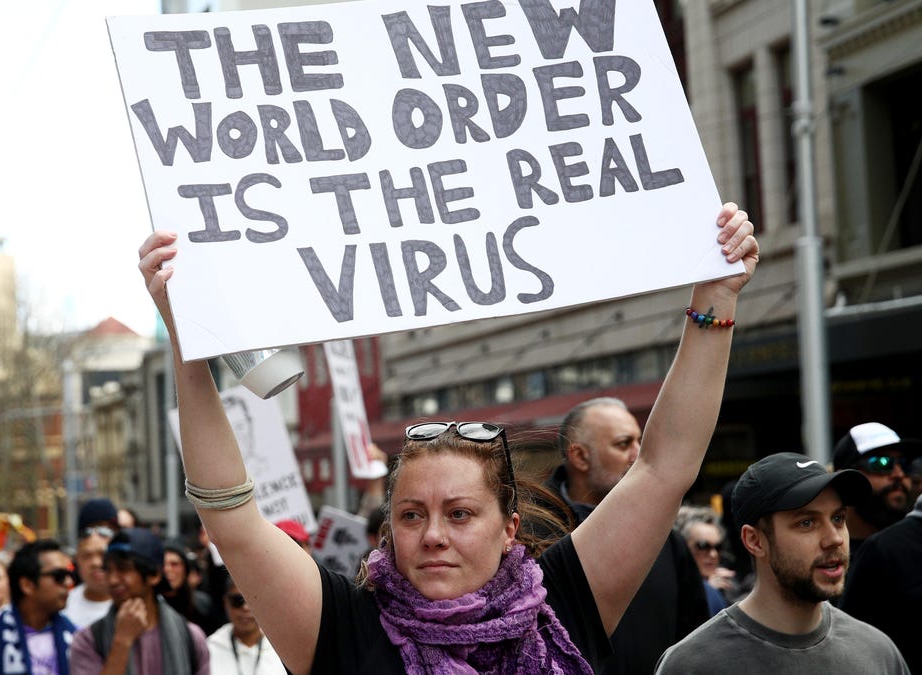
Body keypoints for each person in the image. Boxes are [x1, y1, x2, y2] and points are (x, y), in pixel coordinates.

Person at [138, 202, 758, 673]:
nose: (433, 535)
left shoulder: (566, 599)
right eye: (411, 514)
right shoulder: (344, 627)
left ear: (510, 525)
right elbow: (234, 520)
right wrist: (187, 337)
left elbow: (662, 466)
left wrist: (715, 298)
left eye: (460, 513)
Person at [655, 452, 908, 673]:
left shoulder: (878, 653)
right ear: (754, 541)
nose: (834, 539)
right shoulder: (692, 664)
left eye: (838, 518)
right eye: (807, 523)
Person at [546, 397, 708, 673]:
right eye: (624, 444)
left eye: (640, 442)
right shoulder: (530, 535)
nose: (638, 455)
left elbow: (695, 641)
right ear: (580, 456)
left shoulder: (667, 541)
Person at [68, 528, 209, 675]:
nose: (112, 580)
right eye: (108, 570)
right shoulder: (88, 640)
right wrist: (122, 642)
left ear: (154, 575)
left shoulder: (190, 638)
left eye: (124, 569)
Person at [0, 540, 77, 675]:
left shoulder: (76, 637)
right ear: (27, 585)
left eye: (68, 575)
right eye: (59, 576)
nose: (68, 582)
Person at [839, 492, 922, 672]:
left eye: (837, 519)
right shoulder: (885, 548)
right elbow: (847, 646)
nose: (898, 474)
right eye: (807, 523)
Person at [831, 422, 920, 557]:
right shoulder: (830, 560)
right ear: (846, 480)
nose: (899, 474)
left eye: (904, 464)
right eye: (881, 463)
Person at [207, 576, 286, 675]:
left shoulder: (282, 648)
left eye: (253, 600)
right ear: (225, 602)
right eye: (237, 601)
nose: (245, 608)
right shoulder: (210, 647)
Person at [66, 498, 121, 628]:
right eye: (87, 556)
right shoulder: (62, 607)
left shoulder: (137, 605)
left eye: (103, 554)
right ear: (77, 559)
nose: (96, 563)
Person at [676, 505, 734, 616]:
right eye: (703, 546)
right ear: (684, 546)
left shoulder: (730, 584)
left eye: (718, 547)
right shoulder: (674, 588)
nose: (713, 554)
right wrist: (706, 591)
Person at [162, 543, 215, 632]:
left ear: (185, 570)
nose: (168, 569)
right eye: (163, 564)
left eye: (174, 564)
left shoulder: (202, 606)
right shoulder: (149, 604)